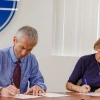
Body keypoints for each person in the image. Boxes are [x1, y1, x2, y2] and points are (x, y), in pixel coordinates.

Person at [0, 26, 47, 96]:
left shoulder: (31, 59)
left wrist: (38, 86)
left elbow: (38, 80)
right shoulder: (1, 56)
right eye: (22, 47)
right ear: (14, 40)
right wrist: (1, 90)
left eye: (29, 49)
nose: (24, 53)